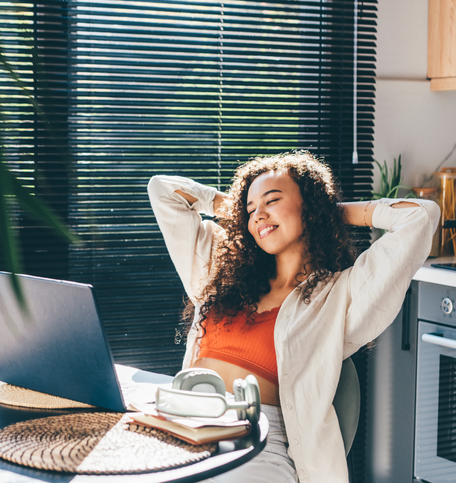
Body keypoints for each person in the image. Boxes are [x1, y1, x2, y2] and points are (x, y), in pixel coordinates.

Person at [147, 151, 440, 483]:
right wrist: (243, 212)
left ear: (310, 207)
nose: (259, 214)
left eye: (272, 200)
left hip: (257, 440)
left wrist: (330, 213)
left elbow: (421, 216)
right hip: (182, 422)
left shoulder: (340, 295)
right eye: (251, 208)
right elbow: (163, 191)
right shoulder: (221, 272)